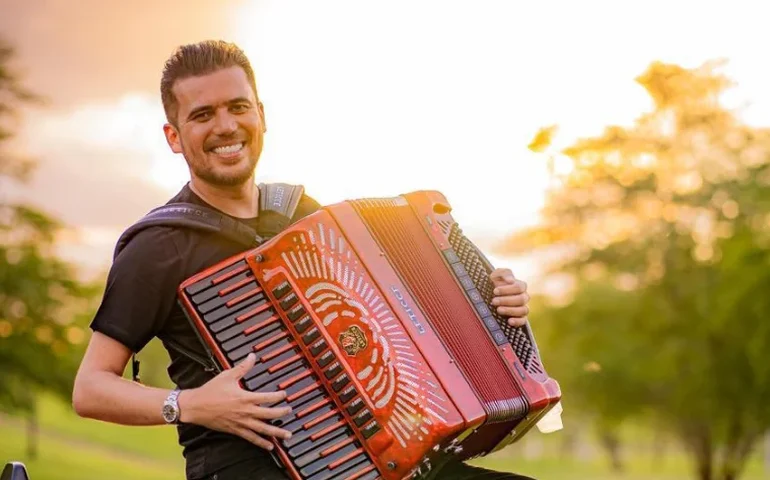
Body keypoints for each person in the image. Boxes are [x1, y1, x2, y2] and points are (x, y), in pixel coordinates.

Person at [72, 40, 535, 480]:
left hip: (376, 459)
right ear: (174, 136)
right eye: (202, 115)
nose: (226, 126)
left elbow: (393, 319)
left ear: (262, 116)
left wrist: (492, 302)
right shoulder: (158, 246)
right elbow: (91, 388)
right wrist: (190, 404)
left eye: (238, 107)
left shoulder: (302, 215)